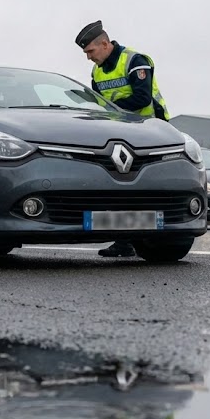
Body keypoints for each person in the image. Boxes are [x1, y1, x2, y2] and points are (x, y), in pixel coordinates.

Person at [75, 20, 172, 257]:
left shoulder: (134, 61)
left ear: (105, 44)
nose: (88, 57)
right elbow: (96, 104)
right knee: (118, 186)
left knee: (148, 187)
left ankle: (163, 236)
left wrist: (109, 109)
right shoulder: (96, 71)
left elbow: (141, 98)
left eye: (90, 51)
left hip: (151, 130)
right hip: (118, 134)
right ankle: (124, 241)